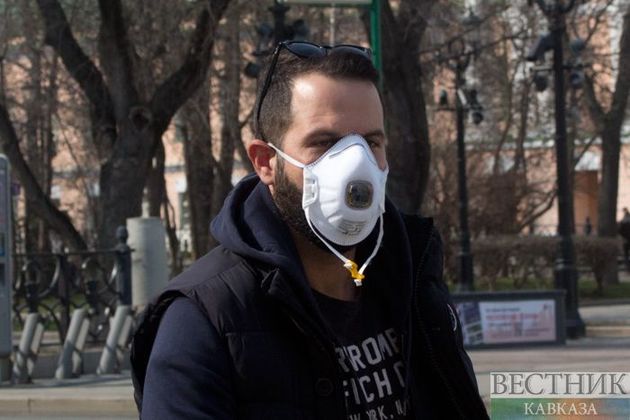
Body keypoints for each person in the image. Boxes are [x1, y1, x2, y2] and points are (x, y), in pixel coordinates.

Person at [130, 41, 488, 419]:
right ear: (265, 162)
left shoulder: (412, 278)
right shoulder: (202, 320)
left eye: (371, 142)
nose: (356, 165)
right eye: (324, 143)